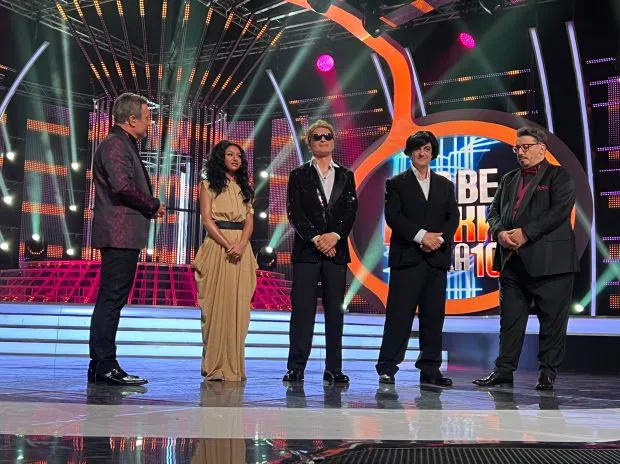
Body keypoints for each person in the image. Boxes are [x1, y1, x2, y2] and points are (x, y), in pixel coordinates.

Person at [473, 126, 578, 391]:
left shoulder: (559, 175)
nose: (520, 152)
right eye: (517, 148)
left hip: (552, 263)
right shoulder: (509, 179)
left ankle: (547, 372)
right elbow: (493, 211)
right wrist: (499, 233)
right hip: (512, 261)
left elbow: (559, 212)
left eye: (525, 147)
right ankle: (503, 371)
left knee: (552, 322)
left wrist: (525, 234)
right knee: (509, 321)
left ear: (542, 149)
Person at [89, 92, 165, 386]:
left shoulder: (121, 144)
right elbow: (122, 187)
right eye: (147, 118)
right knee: (112, 299)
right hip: (119, 234)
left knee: (111, 299)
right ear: (131, 119)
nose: (150, 123)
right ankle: (105, 364)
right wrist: (152, 205)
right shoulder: (116, 145)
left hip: (122, 234)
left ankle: (100, 364)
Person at [376, 131, 459, 387]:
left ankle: (430, 368)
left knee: (434, 316)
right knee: (399, 316)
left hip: (436, 258)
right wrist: (422, 236)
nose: (422, 153)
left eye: (426, 149)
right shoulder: (396, 183)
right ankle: (388, 366)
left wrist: (438, 240)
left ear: (432, 153)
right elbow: (394, 217)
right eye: (417, 149)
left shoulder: (445, 185)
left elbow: (453, 218)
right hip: (407, 258)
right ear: (410, 153)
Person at [283, 120, 358, 384]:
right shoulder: (298, 175)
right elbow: (295, 212)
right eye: (317, 137)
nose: (323, 140)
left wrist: (334, 236)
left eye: (327, 136)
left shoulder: (346, 175)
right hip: (307, 251)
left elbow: (351, 210)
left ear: (334, 141)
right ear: (309, 143)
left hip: (336, 252)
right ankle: (296, 367)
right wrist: (316, 238)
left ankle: (333, 368)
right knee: (302, 312)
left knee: (335, 313)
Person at [193, 140, 257, 381]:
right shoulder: (208, 185)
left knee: (239, 309)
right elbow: (207, 220)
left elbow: (249, 221)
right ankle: (215, 365)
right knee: (214, 308)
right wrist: (228, 244)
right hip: (218, 246)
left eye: (238, 155)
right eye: (230, 154)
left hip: (242, 249)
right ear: (221, 158)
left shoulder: (245, 188)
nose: (235, 159)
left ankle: (233, 366)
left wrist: (241, 244)